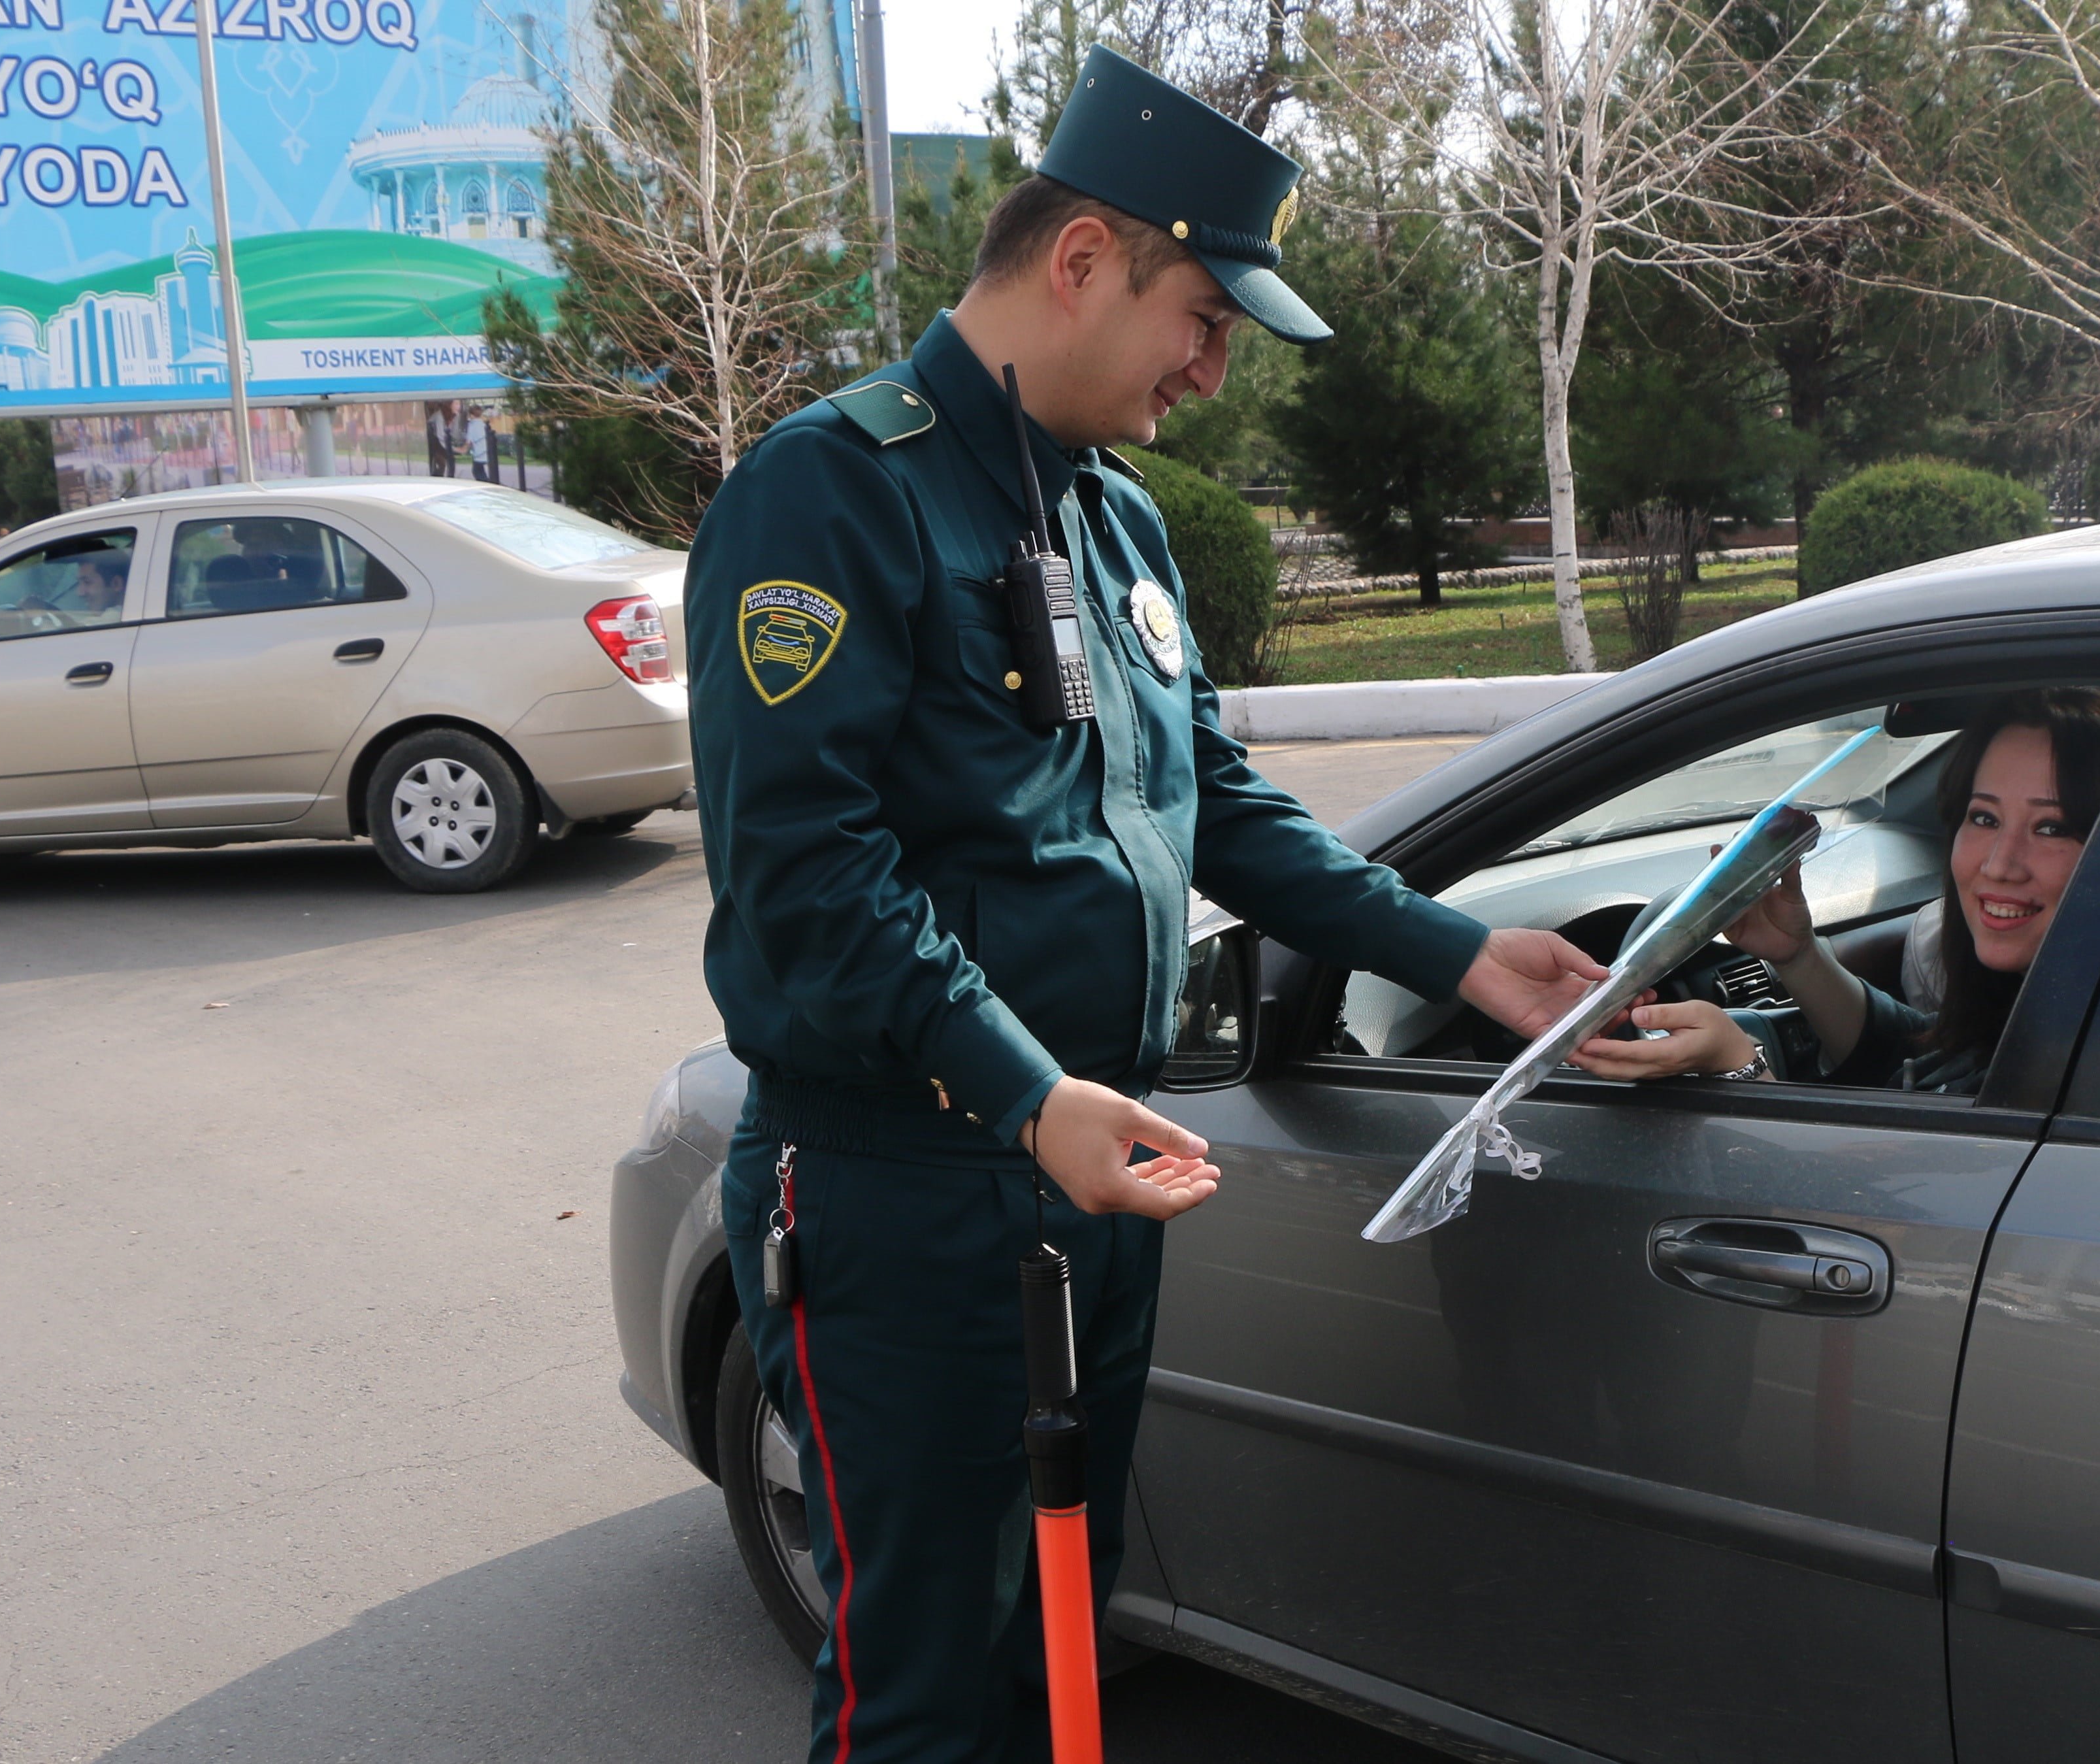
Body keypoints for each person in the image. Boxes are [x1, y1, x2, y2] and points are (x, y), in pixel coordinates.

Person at [685, 47, 1608, 1764]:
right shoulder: (832, 494)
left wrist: (1461, 950)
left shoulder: (1112, 520)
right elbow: (808, 878)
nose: (1211, 368)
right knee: (926, 1695)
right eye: (1204, 318)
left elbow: (1218, 807)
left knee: (1060, 1663)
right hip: (908, 1191)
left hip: (1086, 1177)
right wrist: (1027, 1093)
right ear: (1085, 260)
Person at [1571, 687, 2100, 1094]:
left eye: (2051, 827)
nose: (1999, 865)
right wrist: (1799, 954)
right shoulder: (2044, 1013)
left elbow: (1897, 1223)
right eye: (1985, 818)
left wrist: (1737, 1065)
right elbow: (1916, 1058)